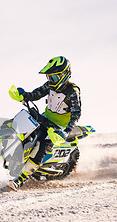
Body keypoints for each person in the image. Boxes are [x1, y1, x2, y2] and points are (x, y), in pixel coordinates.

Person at [8, 56, 82, 191]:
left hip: (58, 127)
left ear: (64, 75)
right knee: (23, 127)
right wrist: (24, 96)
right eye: (49, 77)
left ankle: (21, 179)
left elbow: (76, 113)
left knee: (41, 146)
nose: (50, 81)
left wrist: (66, 131)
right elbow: (36, 94)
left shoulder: (72, 91)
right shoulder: (50, 85)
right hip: (45, 118)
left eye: (53, 77)